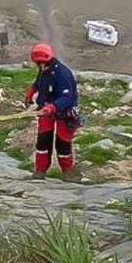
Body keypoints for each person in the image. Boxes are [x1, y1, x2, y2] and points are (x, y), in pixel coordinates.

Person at [25, 43, 81, 181]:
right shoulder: (44, 69)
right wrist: (31, 92)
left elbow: (67, 97)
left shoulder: (62, 74)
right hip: (46, 111)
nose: (39, 65)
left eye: (41, 63)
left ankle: (67, 172)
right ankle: (40, 170)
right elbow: (39, 82)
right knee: (43, 141)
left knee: (63, 143)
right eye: (38, 63)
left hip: (63, 112)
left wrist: (52, 107)